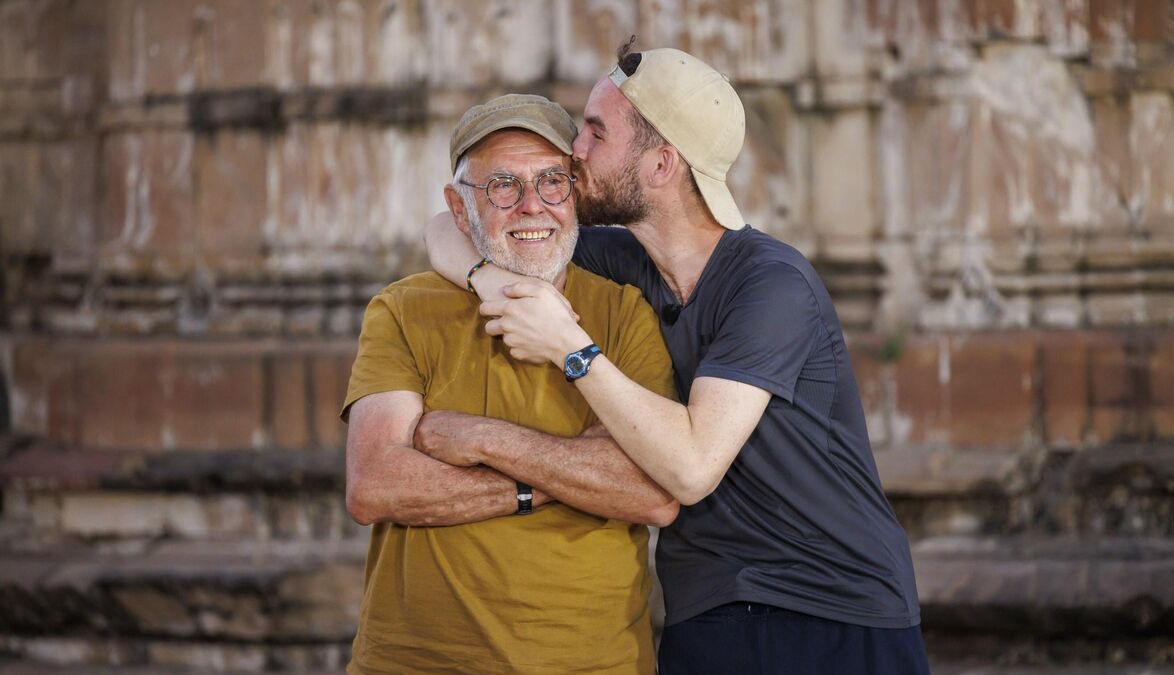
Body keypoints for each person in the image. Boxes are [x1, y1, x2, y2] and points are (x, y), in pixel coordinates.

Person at [423, 46, 931, 674]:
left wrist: (570, 348)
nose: (573, 149)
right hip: (709, 609)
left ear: (661, 164)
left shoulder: (771, 285)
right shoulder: (630, 262)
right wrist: (493, 283)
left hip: (833, 611)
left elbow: (692, 469)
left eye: (597, 132)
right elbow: (449, 226)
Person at [341, 93, 678, 675]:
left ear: (576, 193)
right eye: (502, 185)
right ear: (458, 205)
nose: (532, 207)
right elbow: (375, 484)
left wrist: (480, 440)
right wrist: (556, 479)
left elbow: (651, 491)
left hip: (591, 663)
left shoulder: (625, 310)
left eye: (553, 182)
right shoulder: (402, 309)